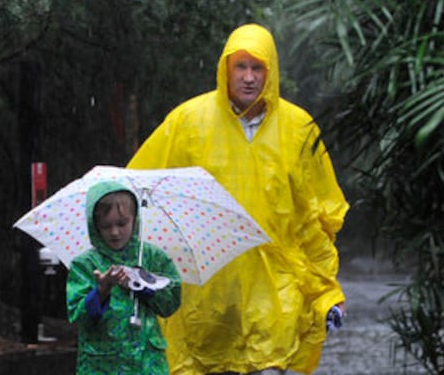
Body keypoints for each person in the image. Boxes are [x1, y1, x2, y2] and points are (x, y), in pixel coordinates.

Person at [127, 23, 349, 374]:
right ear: (225, 70)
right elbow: (139, 193)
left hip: (274, 297)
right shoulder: (188, 122)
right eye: (240, 67)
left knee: (270, 363)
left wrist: (327, 294)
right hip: (206, 299)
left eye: (257, 67)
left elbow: (315, 224)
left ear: (271, 71)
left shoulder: (298, 129)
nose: (248, 78)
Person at [66, 180, 182, 374]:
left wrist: (143, 287)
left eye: (122, 223)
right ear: (94, 226)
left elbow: (170, 304)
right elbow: (78, 315)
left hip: (147, 363)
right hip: (102, 365)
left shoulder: (152, 257)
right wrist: (101, 292)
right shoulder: (84, 265)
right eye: (106, 226)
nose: (115, 232)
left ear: (134, 220)